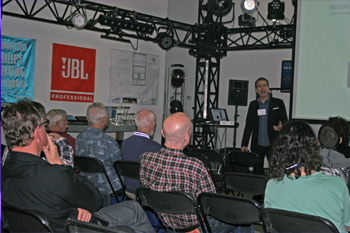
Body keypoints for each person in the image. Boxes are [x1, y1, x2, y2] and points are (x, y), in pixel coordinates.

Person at [1, 100, 155, 233]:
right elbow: (95, 200)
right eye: (44, 125)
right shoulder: (54, 174)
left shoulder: (5, 169)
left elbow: (43, 200)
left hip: (59, 219)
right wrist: (59, 164)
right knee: (134, 210)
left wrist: (74, 207)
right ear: (38, 133)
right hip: (75, 226)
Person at [140, 112, 250, 232]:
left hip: (168, 225)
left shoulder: (145, 159)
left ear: (162, 133)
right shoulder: (195, 166)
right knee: (242, 216)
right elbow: (211, 205)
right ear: (187, 138)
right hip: (197, 228)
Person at [264, 120, 350, 233]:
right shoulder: (337, 184)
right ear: (315, 146)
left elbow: (271, 224)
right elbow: (347, 225)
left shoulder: (272, 186)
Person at [75, 102, 122, 205]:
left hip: (87, 186)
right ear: (103, 120)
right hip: (109, 189)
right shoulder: (108, 142)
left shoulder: (79, 139)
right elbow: (119, 166)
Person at [241, 77, 288, 174]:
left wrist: (281, 126)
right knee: (257, 170)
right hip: (257, 144)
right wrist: (244, 144)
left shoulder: (278, 103)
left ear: (268, 88)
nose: (262, 88)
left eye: (264, 86)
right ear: (256, 90)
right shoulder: (253, 105)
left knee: (276, 169)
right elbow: (248, 125)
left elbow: (285, 121)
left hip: (273, 143)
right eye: (259, 86)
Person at [121, 109, 162, 200]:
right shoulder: (156, 148)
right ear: (151, 124)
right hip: (146, 193)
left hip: (129, 191)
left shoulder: (125, 143)